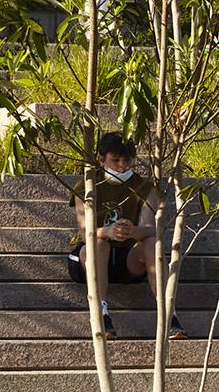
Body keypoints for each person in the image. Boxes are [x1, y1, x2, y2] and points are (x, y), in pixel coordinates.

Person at [67, 132, 184, 339]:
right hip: (89, 257)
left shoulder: (144, 187)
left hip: (126, 259)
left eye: (127, 160)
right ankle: (102, 314)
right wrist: (108, 231)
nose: (122, 165)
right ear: (102, 159)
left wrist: (133, 231)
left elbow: (152, 229)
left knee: (150, 243)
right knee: (100, 244)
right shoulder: (87, 185)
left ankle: (169, 314)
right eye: (115, 160)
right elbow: (86, 232)